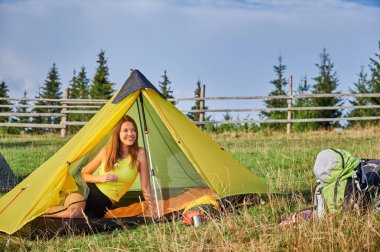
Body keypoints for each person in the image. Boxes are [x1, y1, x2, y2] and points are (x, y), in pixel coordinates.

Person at [43, 115, 152, 218]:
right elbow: (83, 174)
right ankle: (35, 212)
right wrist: (101, 178)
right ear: (117, 133)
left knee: (78, 223)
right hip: (86, 191)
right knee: (73, 213)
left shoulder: (140, 154)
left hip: (103, 204)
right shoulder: (107, 151)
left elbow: (146, 188)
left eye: (133, 130)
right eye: (125, 130)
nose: (131, 134)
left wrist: (152, 208)